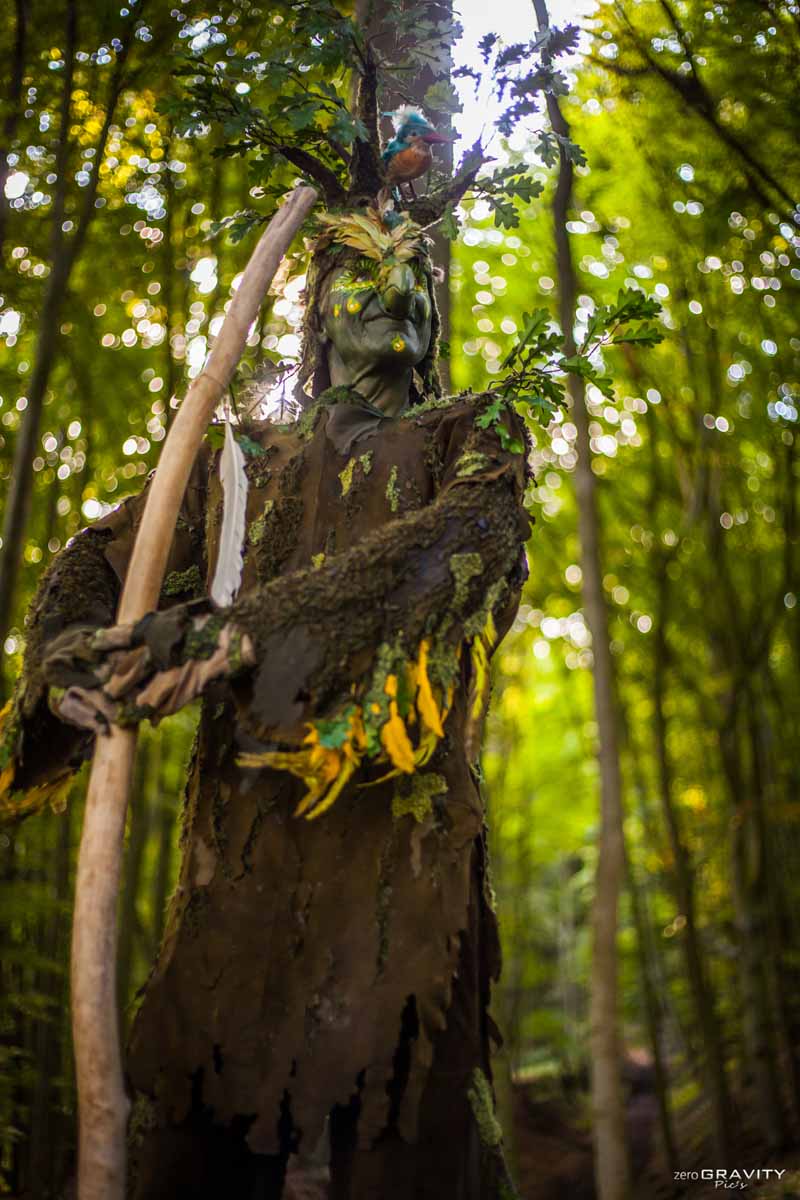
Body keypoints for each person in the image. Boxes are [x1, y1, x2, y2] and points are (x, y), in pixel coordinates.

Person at [1, 207, 530, 1199]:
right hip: (238, 872)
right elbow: (99, 562)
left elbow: (467, 540)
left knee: (406, 1142)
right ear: (319, 314)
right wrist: (65, 659)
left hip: (405, 873)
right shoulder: (235, 464)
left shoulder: (473, 429)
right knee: (198, 1143)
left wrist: (241, 632)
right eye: (367, 276)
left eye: (418, 276)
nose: (400, 292)